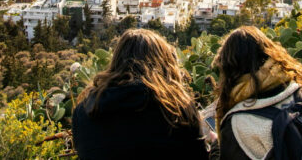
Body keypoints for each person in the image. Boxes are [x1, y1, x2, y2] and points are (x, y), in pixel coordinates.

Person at [72, 28, 211, 160]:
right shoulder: (176, 109)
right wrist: (215, 145)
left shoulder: (84, 111)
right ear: (164, 65)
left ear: (116, 61)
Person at [213, 26, 302, 160]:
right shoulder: (300, 92)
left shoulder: (237, 124)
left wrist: (215, 148)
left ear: (228, 68)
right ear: (268, 53)